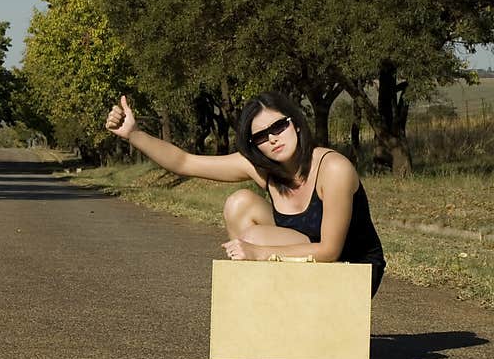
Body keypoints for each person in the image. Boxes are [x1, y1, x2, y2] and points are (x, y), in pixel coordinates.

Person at [105, 91, 385, 297]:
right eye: (261, 136)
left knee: (251, 238)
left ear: (296, 124)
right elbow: (184, 162)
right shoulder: (261, 168)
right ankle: (262, 306)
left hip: (351, 270)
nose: (273, 138)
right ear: (255, 146)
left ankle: (273, 306)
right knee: (239, 204)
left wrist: (257, 252)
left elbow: (329, 250)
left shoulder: (333, 168)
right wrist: (133, 134)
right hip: (303, 260)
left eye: (278, 126)